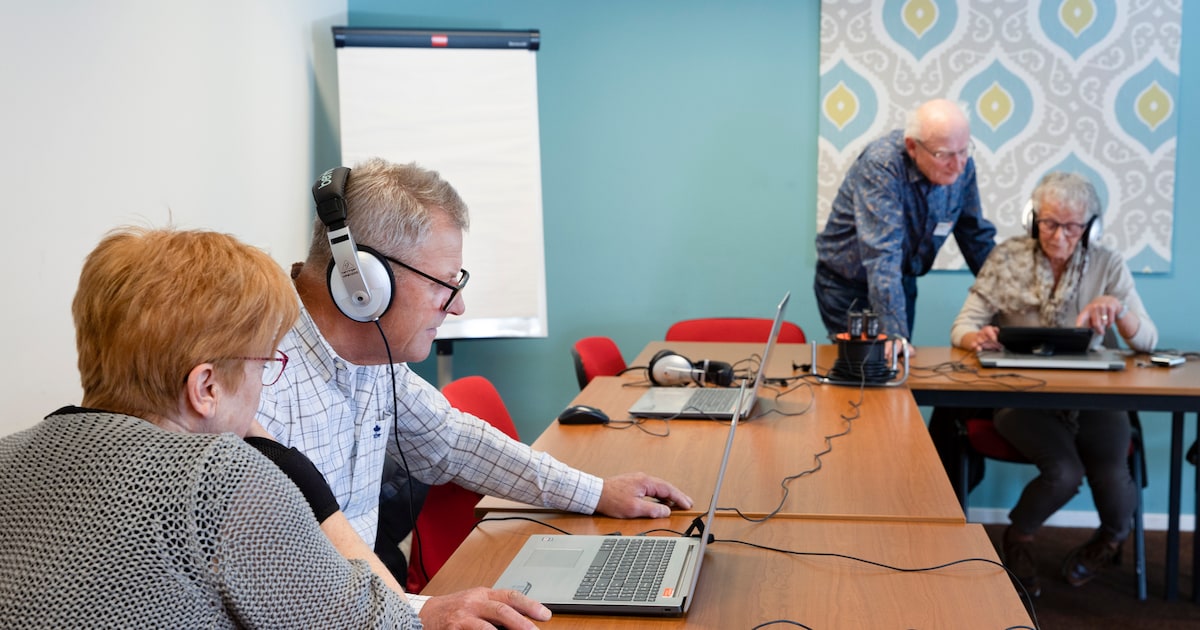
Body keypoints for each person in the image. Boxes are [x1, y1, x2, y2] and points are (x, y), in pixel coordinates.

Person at [257, 158, 694, 583]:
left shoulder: (371, 359)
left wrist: (597, 493)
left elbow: (452, 442)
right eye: (441, 284)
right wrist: (424, 614)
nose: (458, 306)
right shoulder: (255, 388)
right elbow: (273, 594)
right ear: (363, 283)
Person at [0, 227, 423, 627]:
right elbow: (395, 625)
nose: (265, 383)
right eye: (265, 364)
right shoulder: (219, 477)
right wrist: (301, 476)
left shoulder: (8, 455)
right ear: (205, 386)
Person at [950, 172, 1158, 597]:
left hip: (1093, 399)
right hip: (1022, 397)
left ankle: (1110, 539)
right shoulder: (1007, 258)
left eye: (1072, 226)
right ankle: (1019, 538)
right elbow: (964, 325)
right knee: (1064, 473)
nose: (1059, 235)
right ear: (1033, 220)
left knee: (1114, 477)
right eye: (1049, 223)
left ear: (1089, 227)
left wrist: (1118, 310)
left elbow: (1148, 341)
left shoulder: (1107, 264)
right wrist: (978, 337)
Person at [814, 98, 997, 340]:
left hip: (899, 280)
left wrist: (1011, 302)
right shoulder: (882, 164)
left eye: (964, 151)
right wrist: (894, 335)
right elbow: (882, 254)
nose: (958, 165)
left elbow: (975, 236)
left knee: (898, 364)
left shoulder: (963, 165)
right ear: (912, 147)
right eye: (944, 155)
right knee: (865, 368)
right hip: (848, 284)